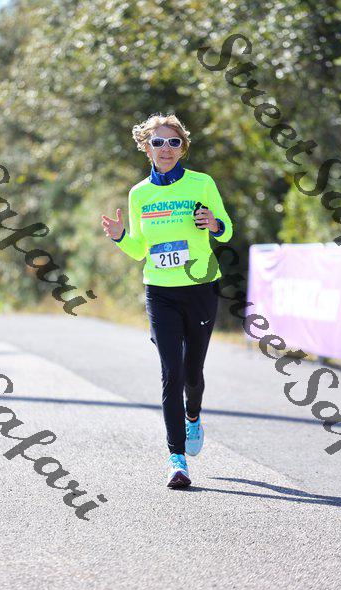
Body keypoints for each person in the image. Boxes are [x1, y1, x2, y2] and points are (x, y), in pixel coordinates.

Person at [101, 113, 233, 488]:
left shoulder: (201, 183)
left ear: (182, 148)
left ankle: (193, 416)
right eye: (158, 142)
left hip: (201, 287)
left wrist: (214, 224)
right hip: (160, 291)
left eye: (174, 142)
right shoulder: (139, 193)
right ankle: (177, 459)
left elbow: (226, 230)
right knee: (171, 373)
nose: (166, 149)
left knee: (192, 374)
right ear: (146, 148)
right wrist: (120, 236)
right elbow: (139, 250)